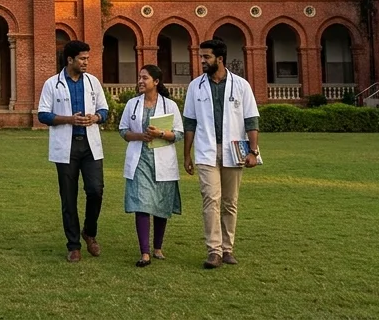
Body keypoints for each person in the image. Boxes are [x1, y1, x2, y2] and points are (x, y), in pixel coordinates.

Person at [182, 37, 260, 269]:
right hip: (206, 151)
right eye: (201, 56)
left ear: (220, 58)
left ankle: (228, 249)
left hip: (234, 150)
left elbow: (251, 119)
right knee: (211, 199)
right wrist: (186, 155)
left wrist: (253, 151)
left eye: (206, 57)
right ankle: (214, 250)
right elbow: (189, 123)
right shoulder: (195, 86)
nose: (202, 61)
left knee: (229, 202)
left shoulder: (241, 85)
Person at [37, 39, 110, 262]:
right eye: (82, 58)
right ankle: (73, 244)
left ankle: (89, 231)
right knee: (68, 197)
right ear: (70, 60)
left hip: (90, 145)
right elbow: (43, 115)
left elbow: (104, 110)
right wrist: (69, 119)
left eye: (88, 58)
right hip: (66, 147)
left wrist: (96, 117)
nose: (86, 62)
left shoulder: (93, 82)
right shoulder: (52, 84)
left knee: (96, 191)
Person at [118, 64, 183, 267]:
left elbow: (179, 134)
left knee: (161, 205)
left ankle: (158, 247)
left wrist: (160, 134)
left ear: (156, 82)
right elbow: (123, 130)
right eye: (139, 77)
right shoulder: (132, 104)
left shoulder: (169, 106)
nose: (140, 81)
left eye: (144, 78)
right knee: (142, 204)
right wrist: (141, 136)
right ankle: (145, 252)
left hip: (162, 160)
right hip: (140, 160)